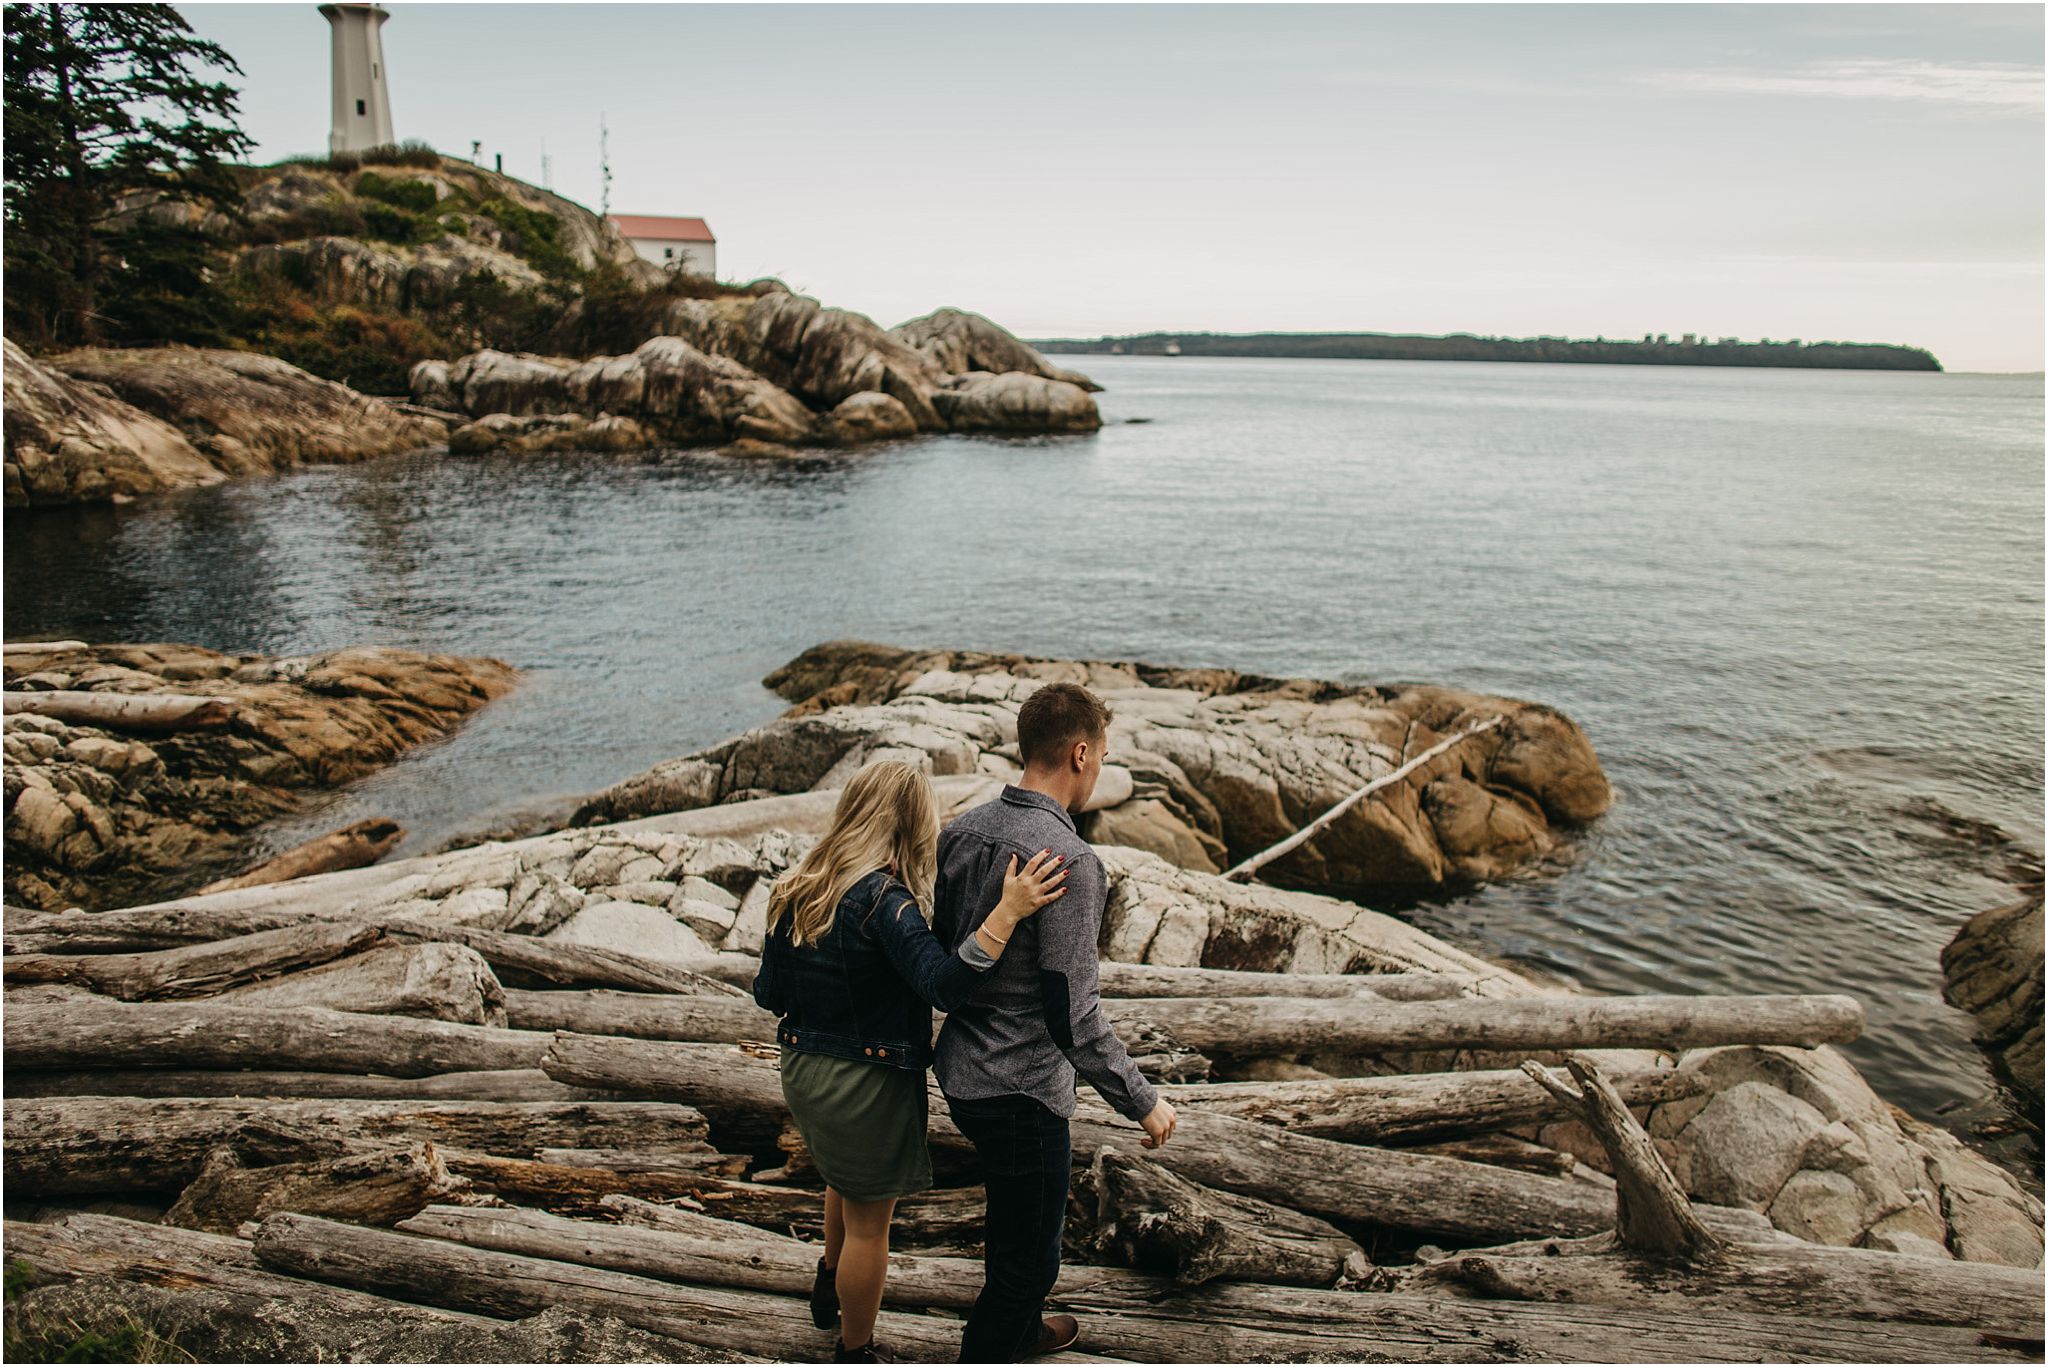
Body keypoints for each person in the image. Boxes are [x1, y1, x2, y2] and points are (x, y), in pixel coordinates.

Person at [751, 759, 1070, 1365]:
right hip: (866, 1082)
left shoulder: (797, 885)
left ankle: (827, 1281)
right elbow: (944, 986)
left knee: (842, 1182)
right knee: (872, 1224)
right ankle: (856, 1350)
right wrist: (1007, 911)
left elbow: (768, 993)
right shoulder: (885, 902)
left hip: (801, 1071)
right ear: (910, 824)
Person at [932, 682, 1179, 1363]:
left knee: (1012, 1225)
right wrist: (1143, 1100)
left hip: (961, 1072)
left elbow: (950, 952)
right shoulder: (1071, 861)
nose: (1100, 765)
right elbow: (1074, 1016)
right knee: (1028, 1262)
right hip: (1021, 1092)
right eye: (1101, 752)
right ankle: (995, 1344)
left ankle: (1021, 1330)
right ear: (1079, 753)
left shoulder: (961, 831)